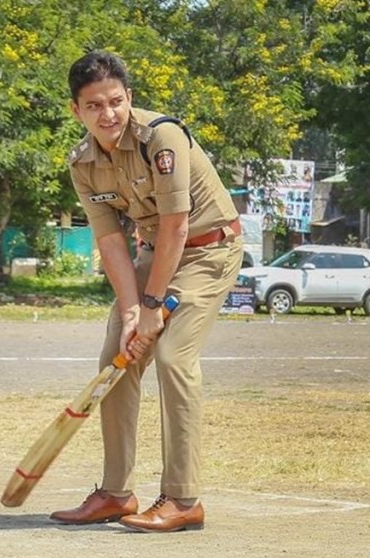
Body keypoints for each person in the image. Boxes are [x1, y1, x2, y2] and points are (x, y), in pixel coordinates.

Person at [49, 51, 242, 532]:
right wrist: (133, 309)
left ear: (129, 97)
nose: (108, 114)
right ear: (76, 110)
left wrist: (152, 307)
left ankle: (183, 499)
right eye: (94, 106)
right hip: (153, 254)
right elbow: (111, 240)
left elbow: (177, 225)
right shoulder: (82, 163)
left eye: (115, 101)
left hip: (208, 249)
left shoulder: (161, 138)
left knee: (173, 358)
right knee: (116, 358)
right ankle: (116, 493)